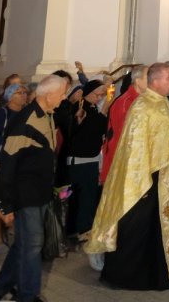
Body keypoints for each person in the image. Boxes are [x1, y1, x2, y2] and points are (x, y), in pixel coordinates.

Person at [86, 63, 169, 290]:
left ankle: (166, 271)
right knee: (140, 228)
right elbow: (134, 150)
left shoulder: (163, 102)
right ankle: (132, 277)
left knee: (161, 227)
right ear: (154, 81)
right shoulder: (142, 107)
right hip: (145, 180)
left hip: (165, 177)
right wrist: (143, 180)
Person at [0, 74, 69, 302]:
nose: (64, 98)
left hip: (41, 192)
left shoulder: (48, 115)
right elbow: (7, 165)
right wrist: (5, 204)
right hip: (26, 195)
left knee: (22, 246)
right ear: (49, 95)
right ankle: (28, 295)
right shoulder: (25, 121)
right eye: (62, 94)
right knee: (33, 245)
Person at [0, 83, 31, 250]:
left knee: (15, 199)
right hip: (2, 163)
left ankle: (13, 232)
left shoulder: (28, 114)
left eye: (24, 92)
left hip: (20, 164)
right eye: (19, 93)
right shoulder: (2, 113)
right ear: (10, 96)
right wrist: (12, 143)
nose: (24, 95)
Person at [64, 79, 108, 239]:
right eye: (98, 94)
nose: (100, 98)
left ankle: (80, 229)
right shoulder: (81, 108)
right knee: (81, 198)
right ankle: (81, 230)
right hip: (80, 160)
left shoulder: (92, 108)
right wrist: (105, 109)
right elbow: (93, 127)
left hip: (90, 159)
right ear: (88, 93)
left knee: (87, 197)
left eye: (102, 95)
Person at [100, 65, 147, 185]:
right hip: (123, 163)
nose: (153, 80)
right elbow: (122, 138)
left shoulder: (142, 101)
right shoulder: (125, 102)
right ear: (137, 81)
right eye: (149, 77)